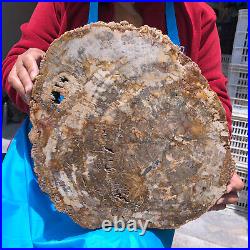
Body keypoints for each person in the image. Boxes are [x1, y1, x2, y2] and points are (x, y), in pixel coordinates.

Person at [2, 2, 244, 248]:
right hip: (53, 163)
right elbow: (19, 64)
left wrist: (212, 165)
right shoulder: (63, 4)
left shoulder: (196, 16)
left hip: (148, 181)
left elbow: (214, 103)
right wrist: (26, 77)